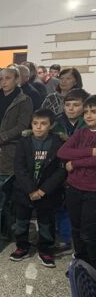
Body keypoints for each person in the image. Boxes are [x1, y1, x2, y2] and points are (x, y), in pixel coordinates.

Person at [9, 109, 66, 268]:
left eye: (43, 123)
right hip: (25, 190)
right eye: (35, 123)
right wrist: (31, 190)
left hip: (47, 192)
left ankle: (45, 249)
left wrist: (43, 190)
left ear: (51, 125)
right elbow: (19, 168)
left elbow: (61, 171)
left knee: (46, 222)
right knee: (21, 220)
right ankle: (22, 246)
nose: (38, 127)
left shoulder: (58, 143)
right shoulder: (24, 142)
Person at [57, 95, 96, 268]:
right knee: (77, 229)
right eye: (86, 112)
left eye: (93, 112)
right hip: (74, 187)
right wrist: (91, 151)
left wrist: (74, 163)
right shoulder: (81, 132)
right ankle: (80, 265)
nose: (88, 115)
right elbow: (62, 152)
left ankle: (92, 268)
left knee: (89, 233)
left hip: (92, 191)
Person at [51, 88, 89, 254]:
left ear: (84, 106)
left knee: (80, 210)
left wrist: (74, 160)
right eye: (68, 105)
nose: (71, 108)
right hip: (58, 169)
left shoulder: (88, 124)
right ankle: (64, 238)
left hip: (82, 172)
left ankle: (80, 243)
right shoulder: (56, 122)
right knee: (60, 204)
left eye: (76, 105)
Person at [0, 67, 33, 176]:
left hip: (9, 149)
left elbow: (21, 126)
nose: (3, 82)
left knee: (2, 182)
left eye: (8, 78)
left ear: (16, 80)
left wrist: (1, 138)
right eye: (1, 79)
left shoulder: (24, 100)